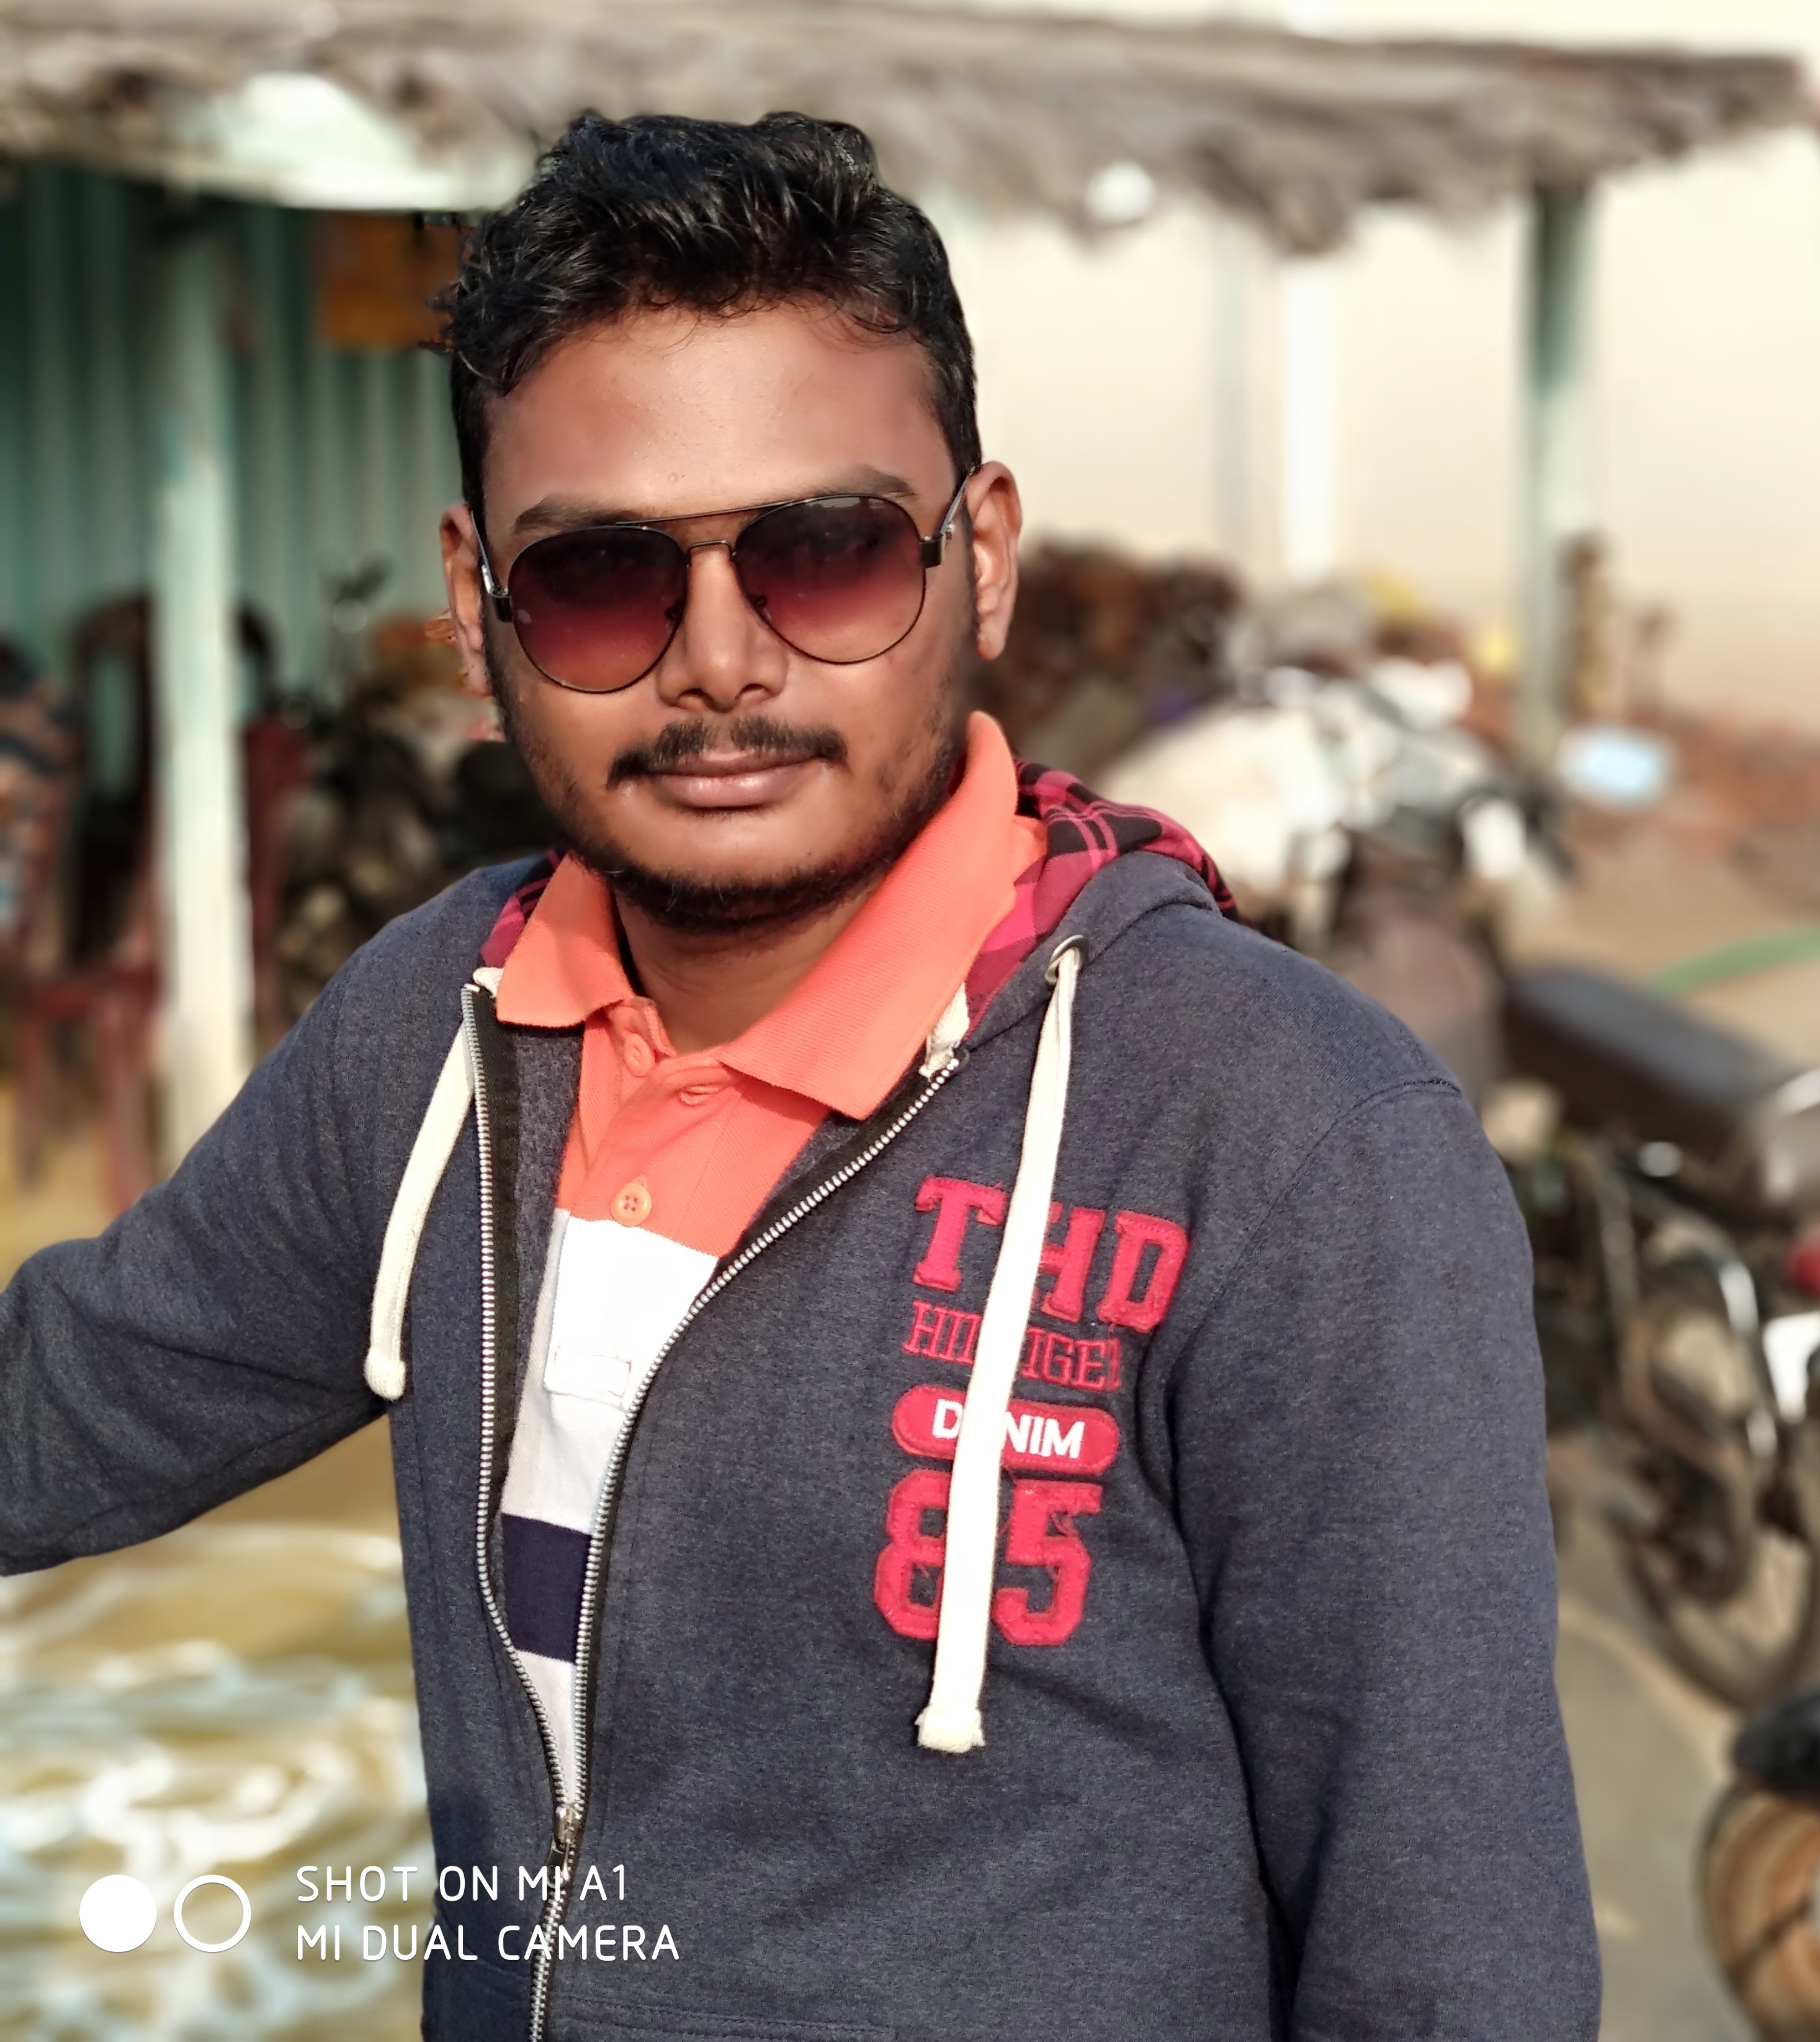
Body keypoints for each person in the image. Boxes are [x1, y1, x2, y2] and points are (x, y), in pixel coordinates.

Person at [0, 112, 1600, 2041]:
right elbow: (64, 1402)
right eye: (601, 576)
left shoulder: (1286, 1138)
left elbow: (1450, 1958)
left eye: (823, 553)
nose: (719, 661)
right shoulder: (440, 1029)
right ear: (476, 607)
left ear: (978, 561)